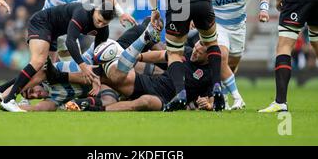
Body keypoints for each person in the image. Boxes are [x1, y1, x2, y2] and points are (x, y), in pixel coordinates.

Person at [0, 1, 115, 112]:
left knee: (42, 66)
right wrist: (84, 68)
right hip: (43, 23)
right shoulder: (83, 13)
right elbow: (70, 41)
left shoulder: (103, 30)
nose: (100, 25)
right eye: (99, 20)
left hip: (57, 33)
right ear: (96, 10)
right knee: (39, 62)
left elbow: (97, 57)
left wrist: (95, 78)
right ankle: (8, 98)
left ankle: (2, 92)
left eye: (104, 23)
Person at [67, 40, 219, 112]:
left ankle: (95, 109)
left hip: (165, 99)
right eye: (196, 47)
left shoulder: (210, 74)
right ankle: (60, 77)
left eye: (199, 53)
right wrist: (137, 57)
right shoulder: (185, 51)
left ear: (208, 56)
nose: (194, 52)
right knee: (117, 77)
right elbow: (159, 55)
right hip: (153, 83)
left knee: (145, 102)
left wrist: (208, 105)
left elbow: (213, 101)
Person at [207, 0, 270, 110]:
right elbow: (200, 3)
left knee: (232, 65)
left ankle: (225, 98)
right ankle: (236, 98)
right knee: (222, 57)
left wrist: (263, 9)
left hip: (238, 28)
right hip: (218, 25)